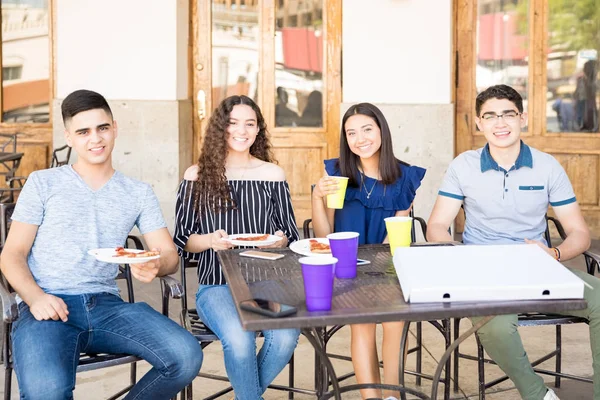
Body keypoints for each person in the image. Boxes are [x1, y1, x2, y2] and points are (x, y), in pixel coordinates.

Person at [0, 89, 203, 400]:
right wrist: (36, 297)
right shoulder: (43, 183)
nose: (95, 139)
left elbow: (169, 255)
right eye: (83, 131)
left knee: (186, 355)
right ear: (69, 137)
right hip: (48, 306)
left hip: (107, 306)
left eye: (102, 128)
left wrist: (155, 264)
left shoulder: (138, 192)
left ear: (114, 128)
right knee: (47, 392)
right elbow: (12, 255)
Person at [427, 84, 599, 400]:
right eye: (489, 116)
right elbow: (437, 226)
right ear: (479, 123)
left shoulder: (547, 166)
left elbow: (580, 233)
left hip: (537, 265)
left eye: (508, 114)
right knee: (495, 325)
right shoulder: (463, 166)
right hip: (483, 270)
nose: (500, 123)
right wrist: (460, 256)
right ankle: (537, 395)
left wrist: (554, 252)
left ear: (522, 118)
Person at [174, 94, 300, 400]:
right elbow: (182, 239)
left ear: (258, 131)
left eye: (249, 123)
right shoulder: (197, 176)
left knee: (284, 338)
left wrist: (281, 239)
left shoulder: (272, 175)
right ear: (221, 128)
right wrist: (210, 241)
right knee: (240, 340)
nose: (241, 130)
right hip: (216, 284)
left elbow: (292, 235)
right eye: (232, 123)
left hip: (269, 281)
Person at [311, 102, 426, 400]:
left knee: (392, 320)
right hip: (348, 267)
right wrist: (315, 197)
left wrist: (380, 271)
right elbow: (325, 236)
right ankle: (370, 398)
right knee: (361, 323)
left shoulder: (405, 177)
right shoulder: (337, 173)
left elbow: (396, 237)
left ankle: (392, 396)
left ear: (381, 132)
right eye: (351, 133)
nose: (360, 138)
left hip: (389, 266)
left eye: (366, 129)